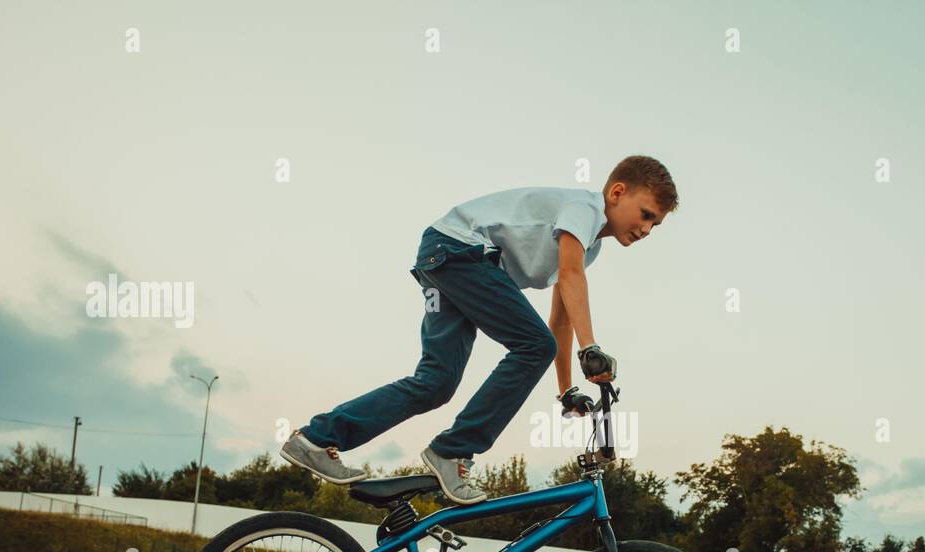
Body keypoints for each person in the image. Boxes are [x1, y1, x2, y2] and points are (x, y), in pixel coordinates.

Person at [280, 155, 678, 505]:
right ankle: (453, 453)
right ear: (617, 192)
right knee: (531, 345)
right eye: (645, 215)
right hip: (461, 253)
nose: (646, 230)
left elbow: (561, 318)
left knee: (436, 381)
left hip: (445, 258)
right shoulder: (585, 208)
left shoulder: (590, 246)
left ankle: (316, 439)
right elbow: (571, 278)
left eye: (655, 225)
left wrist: (565, 389)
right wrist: (591, 347)